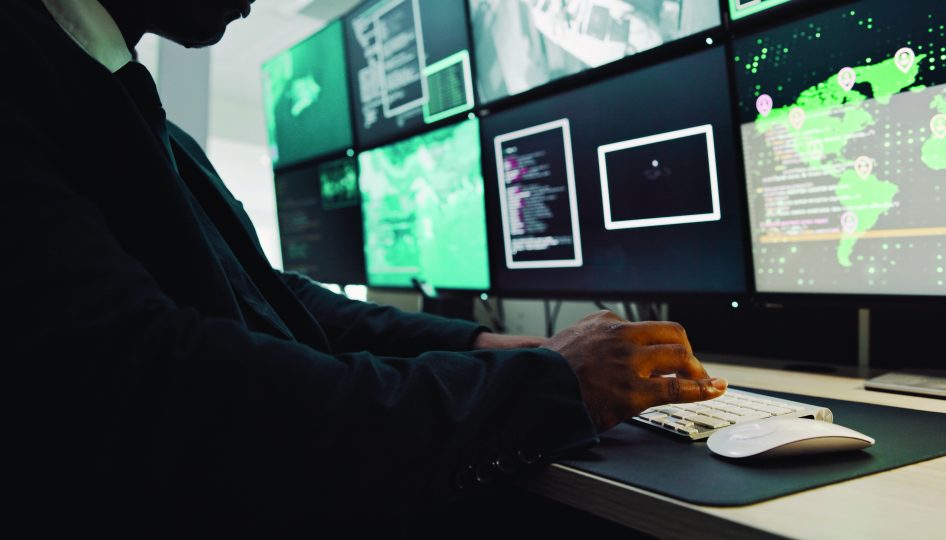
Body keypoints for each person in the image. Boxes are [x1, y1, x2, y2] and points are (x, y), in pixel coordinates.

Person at [3, 0, 727, 531]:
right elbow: (163, 381)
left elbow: (270, 295)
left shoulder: (131, 107)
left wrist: (480, 344)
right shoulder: (23, 67)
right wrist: (543, 385)